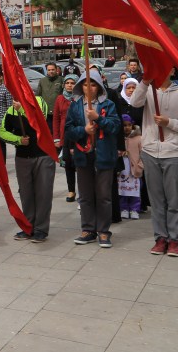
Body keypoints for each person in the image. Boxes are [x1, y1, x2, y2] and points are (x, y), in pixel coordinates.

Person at [129, 73, 178, 257]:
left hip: (174, 153)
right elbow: (134, 103)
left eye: (164, 66)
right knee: (157, 201)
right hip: (151, 152)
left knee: (174, 200)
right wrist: (144, 82)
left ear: (171, 70)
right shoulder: (148, 92)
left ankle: (175, 240)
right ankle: (160, 238)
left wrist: (170, 122)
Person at [65, 70, 121, 248]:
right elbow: (68, 130)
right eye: (86, 84)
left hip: (104, 156)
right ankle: (88, 229)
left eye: (93, 84)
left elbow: (115, 126)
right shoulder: (74, 105)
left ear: (99, 86)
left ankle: (104, 231)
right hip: (83, 155)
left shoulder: (109, 104)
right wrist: (84, 131)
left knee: (104, 195)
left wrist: (98, 119)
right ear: (81, 86)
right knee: (86, 195)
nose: (89, 88)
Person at [0, 97, 54, 242]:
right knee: (26, 193)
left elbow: (39, 121)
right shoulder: (11, 110)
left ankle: (41, 229)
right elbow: (2, 132)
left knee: (43, 193)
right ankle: (28, 227)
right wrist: (18, 140)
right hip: (23, 158)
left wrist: (22, 109)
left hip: (43, 156)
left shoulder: (38, 101)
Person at [51, 75, 79, 203]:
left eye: (72, 83)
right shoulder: (60, 98)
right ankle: (71, 190)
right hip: (64, 135)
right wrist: (56, 138)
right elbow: (56, 119)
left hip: (78, 134)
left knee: (80, 164)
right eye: (67, 83)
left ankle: (83, 190)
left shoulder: (80, 98)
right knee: (68, 164)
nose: (69, 85)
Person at [118, 115, 143, 219]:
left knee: (135, 190)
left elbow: (143, 154)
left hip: (134, 169)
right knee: (122, 189)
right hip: (122, 169)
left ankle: (134, 209)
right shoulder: (118, 139)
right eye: (124, 125)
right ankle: (123, 208)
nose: (127, 127)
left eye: (129, 125)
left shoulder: (139, 139)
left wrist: (140, 166)